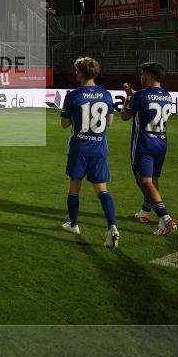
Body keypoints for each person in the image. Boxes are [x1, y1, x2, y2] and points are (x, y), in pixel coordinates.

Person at [60, 56, 120, 248]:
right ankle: (112, 226)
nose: (75, 72)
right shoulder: (106, 94)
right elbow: (109, 122)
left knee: (74, 187)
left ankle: (74, 225)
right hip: (99, 149)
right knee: (102, 190)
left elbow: (64, 124)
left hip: (79, 149)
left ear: (80, 72)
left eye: (76, 70)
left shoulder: (73, 95)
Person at [121, 62, 178, 236]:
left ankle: (166, 218)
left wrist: (128, 97)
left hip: (144, 144)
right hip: (161, 143)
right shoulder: (167, 95)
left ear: (150, 76)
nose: (141, 77)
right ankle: (145, 213)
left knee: (143, 181)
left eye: (143, 73)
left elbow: (124, 116)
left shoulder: (141, 96)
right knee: (152, 180)